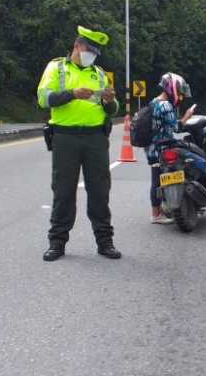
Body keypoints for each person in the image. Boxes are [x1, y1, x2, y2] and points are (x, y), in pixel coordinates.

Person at [37, 26, 122, 261]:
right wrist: (72, 93)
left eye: (96, 51)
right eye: (89, 48)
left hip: (95, 138)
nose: (92, 54)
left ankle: (105, 242)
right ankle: (57, 243)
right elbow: (44, 99)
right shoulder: (57, 67)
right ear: (77, 46)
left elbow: (112, 110)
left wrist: (111, 101)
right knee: (63, 191)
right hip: (65, 138)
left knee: (100, 191)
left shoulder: (100, 73)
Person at [146, 73, 195, 224]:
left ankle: (160, 210)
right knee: (158, 180)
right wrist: (187, 116)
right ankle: (156, 214)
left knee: (158, 178)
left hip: (152, 148)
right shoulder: (165, 105)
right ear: (172, 88)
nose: (180, 96)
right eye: (179, 91)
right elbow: (176, 127)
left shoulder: (154, 102)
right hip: (161, 147)